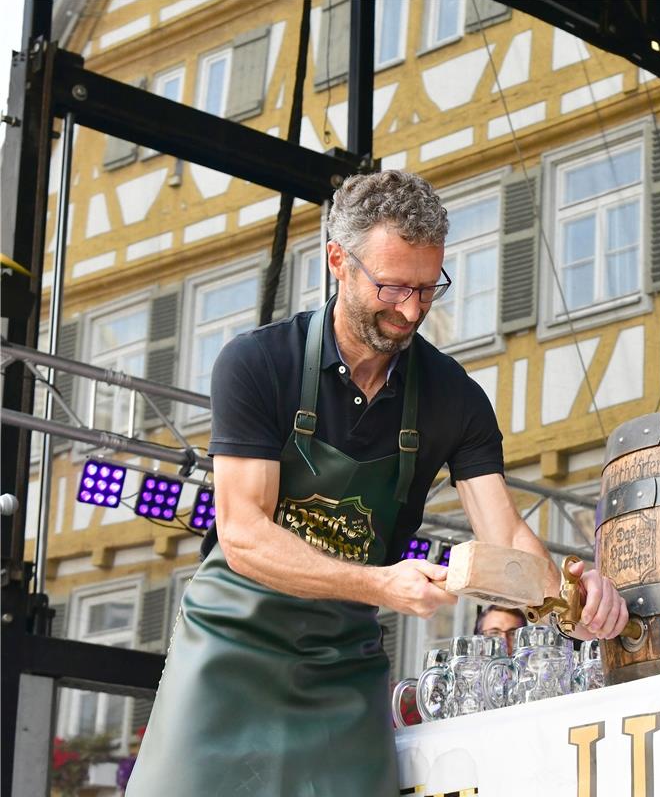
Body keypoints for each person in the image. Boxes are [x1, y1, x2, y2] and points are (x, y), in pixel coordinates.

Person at [127, 171, 628, 796]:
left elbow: (503, 532)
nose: (411, 311)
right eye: (391, 287)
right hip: (228, 648)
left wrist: (573, 598)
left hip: (343, 666)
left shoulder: (454, 399)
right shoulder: (258, 364)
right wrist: (378, 584)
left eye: (427, 288)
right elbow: (245, 536)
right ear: (339, 260)